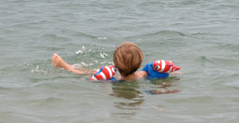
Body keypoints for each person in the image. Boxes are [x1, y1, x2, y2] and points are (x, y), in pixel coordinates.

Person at [52, 42, 181, 81]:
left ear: (115, 64)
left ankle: (66, 66)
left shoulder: (112, 78)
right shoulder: (145, 75)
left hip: (116, 86)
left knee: (87, 72)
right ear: (140, 64)